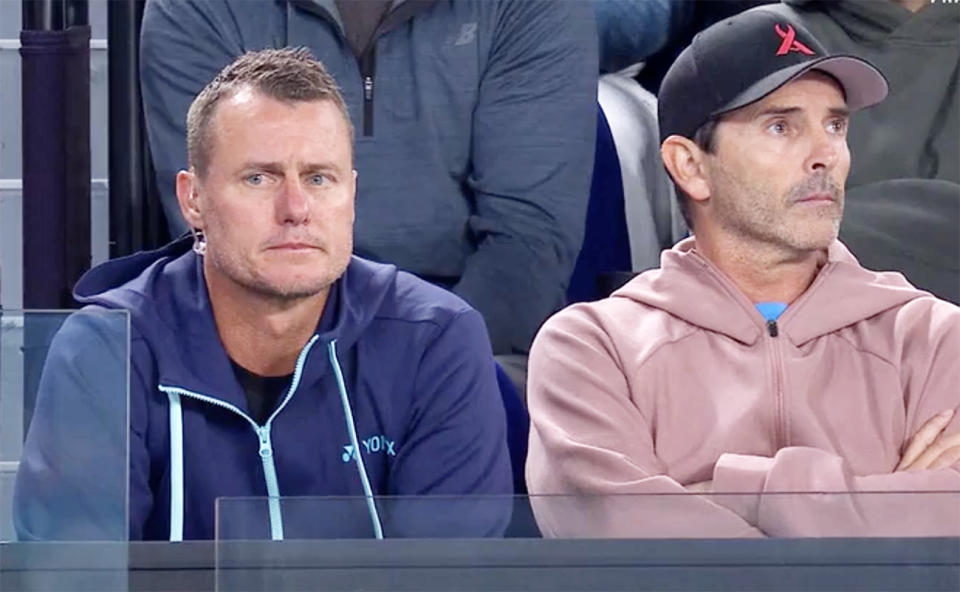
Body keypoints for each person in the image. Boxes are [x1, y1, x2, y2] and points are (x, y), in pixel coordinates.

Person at [14, 49, 512, 541]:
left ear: (352, 196)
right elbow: (70, 576)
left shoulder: (435, 339)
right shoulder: (106, 350)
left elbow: (449, 576)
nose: (296, 208)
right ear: (194, 200)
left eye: (319, 178)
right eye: (259, 178)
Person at [526, 7, 960, 538]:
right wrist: (884, 504)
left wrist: (739, 490)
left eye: (836, 124)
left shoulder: (934, 338)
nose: (826, 154)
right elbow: (622, 548)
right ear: (690, 166)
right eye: (781, 126)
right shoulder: (593, 349)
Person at [139, 0, 598, 357]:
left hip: (468, 337)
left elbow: (527, 244)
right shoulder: (194, 9)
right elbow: (226, 236)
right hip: (265, 332)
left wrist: (419, 363)